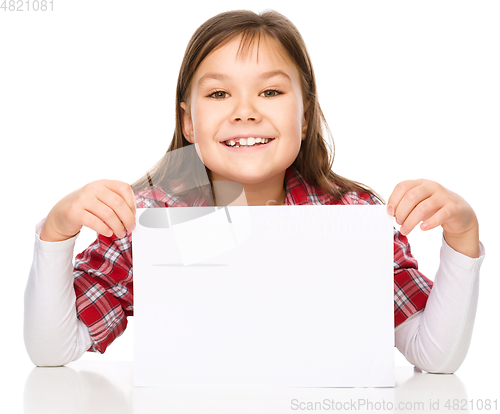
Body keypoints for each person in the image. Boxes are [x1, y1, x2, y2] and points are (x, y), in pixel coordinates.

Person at [25, 9, 484, 372]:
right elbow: (53, 350)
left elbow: (434, 355)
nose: (245, 112)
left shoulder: (353, 216)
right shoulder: (147, 221)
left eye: (270, 92)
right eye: (220, 94)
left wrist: (462, 235)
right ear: (188, 121)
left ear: (305, 117)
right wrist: (58, 231)